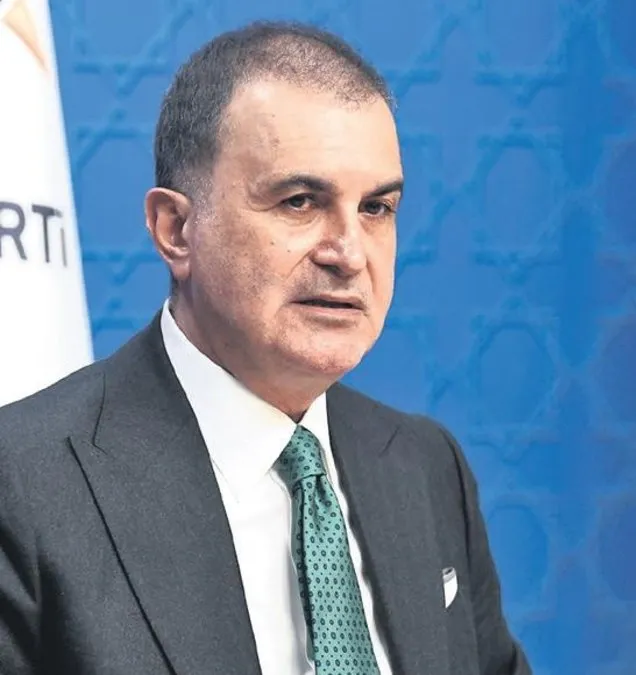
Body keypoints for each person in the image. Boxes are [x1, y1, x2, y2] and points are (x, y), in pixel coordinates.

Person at [0, 21, 530, 675]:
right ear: (176, 228)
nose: (349, 254)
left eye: (376, 209)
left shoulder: (426, 465)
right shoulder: (22, 484)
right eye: (300, 201)